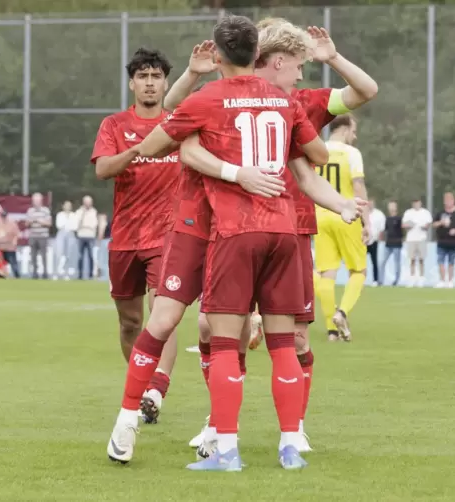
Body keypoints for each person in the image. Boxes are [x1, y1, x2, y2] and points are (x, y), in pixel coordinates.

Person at [107, 15, 361, 471]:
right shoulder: (276, 102)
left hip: (233, 228)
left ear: (222, 55)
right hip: (212, 223)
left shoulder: (215, 99)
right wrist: (340, 201)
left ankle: (223, 438)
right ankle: (130, 420)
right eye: (297, 63)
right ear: (265, 57)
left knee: (220, 334)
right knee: (176, 319)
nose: (300, 72)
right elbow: (314, 157)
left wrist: (224, 164)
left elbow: (165, 141)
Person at [91, 47, 182, 425]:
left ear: (165, 83)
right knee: (130, 323)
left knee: (165, 313)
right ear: (132, 83)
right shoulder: (114, 125)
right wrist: (137, 150)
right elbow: (103, 170)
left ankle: (156, 387)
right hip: (126, 237)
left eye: (156, 76)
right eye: (142, 76)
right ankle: (142, 384)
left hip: (167, 236)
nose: (149, 83)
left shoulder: (177, 124)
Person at [314, 114, 370, 342]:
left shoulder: (318, 150)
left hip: (321, 214)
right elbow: (358, 187)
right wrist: (367, 220)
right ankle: (342, 312)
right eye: (353, 131)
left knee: (327, 273)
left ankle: (331, 331)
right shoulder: (351, 153)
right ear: (345, 128)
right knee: (358, 271)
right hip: (346, 213)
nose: (354, 136)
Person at [432, 192, 455, 288]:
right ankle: (442, 280)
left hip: (454, 242)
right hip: (441, 241)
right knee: (440, 261)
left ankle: (450, 281)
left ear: (453, 201)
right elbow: (433, 224)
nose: (447, 202)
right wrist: (441, 223)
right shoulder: (440, 213)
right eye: (445, 200)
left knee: (451, 262)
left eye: (449, 200)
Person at [402, 198, 432, 287]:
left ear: (420, 203)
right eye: (415, 203)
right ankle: (412, 278)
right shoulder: (408, 213)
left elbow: (429, 224)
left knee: (421, 259)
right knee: (412, 259)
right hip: (411, 239)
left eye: (418, 202)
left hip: (421, 238)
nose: (416, 204)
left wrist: (425, 227)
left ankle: (421, 278)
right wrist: (409, 225)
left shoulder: (425, 213)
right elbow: (403, 225)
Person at [25, 192, 52, 279]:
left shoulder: (46, 210)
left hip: (43, 236)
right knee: (33, 256)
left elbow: (49, 223)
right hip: (33, 236)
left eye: (37, 200)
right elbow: (26, 224)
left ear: (41, 201)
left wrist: (40, 221)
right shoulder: (30, 211)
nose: (35, 202)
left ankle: (45, 273)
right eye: (34, 201)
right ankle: (34, 273)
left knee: (44, 256)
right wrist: (31, 221)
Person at [74, 195, 99, 279]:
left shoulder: (94, 211)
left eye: (89, 202)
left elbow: (94, 224)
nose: (88, 203)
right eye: (86, 202)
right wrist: (84, 218)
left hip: (90, 236)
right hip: (81, 236)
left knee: (91, 256)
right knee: (80, 256)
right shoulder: (79, 211)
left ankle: (90, 275)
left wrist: (85, 225)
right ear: (83, 202)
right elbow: (77, 224)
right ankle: (80, 275)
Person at [0, 211, 20, 278]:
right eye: (2, 216)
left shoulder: (12, 224)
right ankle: (0, 276)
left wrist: (14, 241)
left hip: (10, 247)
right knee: (0, 263)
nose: (3, 218)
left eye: (4, 216)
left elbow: (16, 234)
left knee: (13, 263)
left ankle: (17, 276)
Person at [381, 201, 403, 286]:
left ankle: (396, 281)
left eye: (392, 206)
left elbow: (402, 230)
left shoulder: (399, 219)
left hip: (397, 244)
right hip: (388, 244)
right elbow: (386, 230)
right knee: (382, 262)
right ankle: (380, 281)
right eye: (389, 206)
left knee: (397, 263)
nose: (390, 208)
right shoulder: (387, 219)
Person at [54, 201, 77, 280]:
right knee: (59, 254)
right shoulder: (60, 215)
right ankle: (56, 273)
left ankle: (66, 273)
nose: (67, 207)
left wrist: (68, 224)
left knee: (68, 255)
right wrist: (67, 223)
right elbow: (59, 225)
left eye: (69, 206)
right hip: (61, 233)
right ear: (63, 206)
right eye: (66, 205)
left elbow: (75, 226)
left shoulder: (73, 215)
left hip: (70, 234)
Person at [366, 200, 386, 285]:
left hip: (374, 240)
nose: (370, 205)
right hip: (363, 240)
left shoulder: (379, 214)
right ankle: (360, 279)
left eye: (371, 203)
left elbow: (382, 228)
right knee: (361, 262)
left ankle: (375, 280)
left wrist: (378, 238)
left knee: (374, 261)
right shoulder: (363, 213)